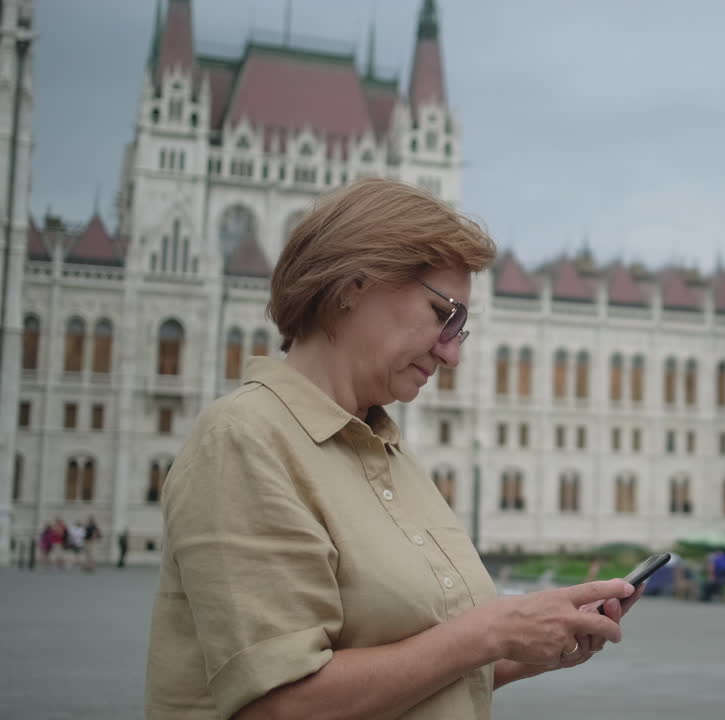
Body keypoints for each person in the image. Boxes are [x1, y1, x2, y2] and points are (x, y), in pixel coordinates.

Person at [145, 179, 643, 720]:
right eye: (443, 315)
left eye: (461, 329)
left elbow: (421, 668)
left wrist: (533, 642)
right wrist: (491, 631)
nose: (452, 354)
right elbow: (281, 705)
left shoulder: (389, 455)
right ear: (351, 288)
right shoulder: (243, 441)